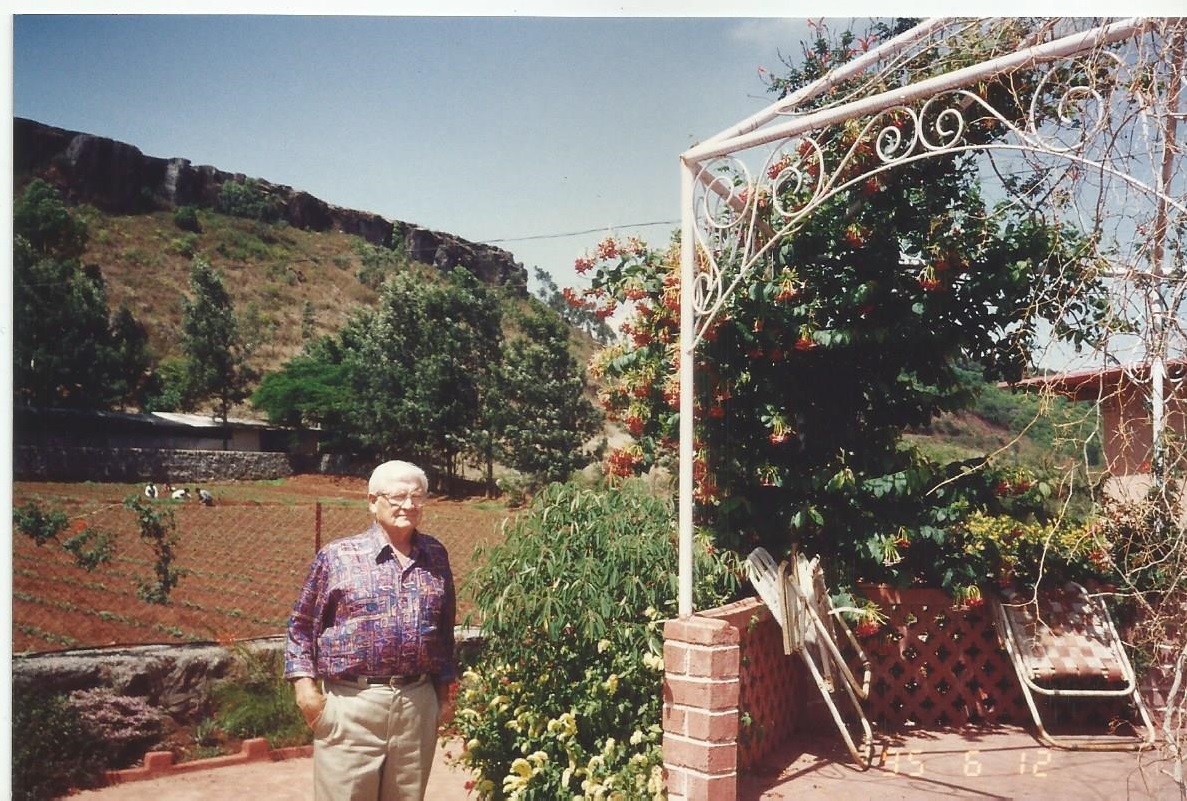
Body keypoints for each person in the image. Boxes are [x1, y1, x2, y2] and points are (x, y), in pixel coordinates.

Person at [285, 460, 456, 801]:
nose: (409, 505)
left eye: (417, 496)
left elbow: (444, 630)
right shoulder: (338, 556)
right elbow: (301, 626)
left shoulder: (435, 555)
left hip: (416, 704)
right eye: (398, 497)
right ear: (372, 501)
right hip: (352, 705)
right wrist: (306, 692)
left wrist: (443, 695)